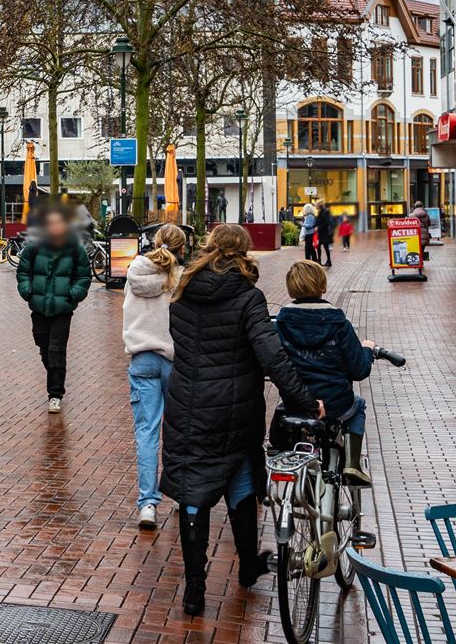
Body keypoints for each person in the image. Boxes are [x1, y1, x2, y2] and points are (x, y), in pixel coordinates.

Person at [161, 224, 323, 617]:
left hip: (187, 407)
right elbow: (272, 356)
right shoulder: (248, 297)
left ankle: (194, 591)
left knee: (193, 493)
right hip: (235, 411)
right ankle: (248, 566)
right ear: (243, 252)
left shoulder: (181, 294)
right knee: (241, 484)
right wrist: (302, 400)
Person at [275, 260, 375, 485]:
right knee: (358, 406)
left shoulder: (281, 322)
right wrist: (367, 350)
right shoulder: (338, 323)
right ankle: (352, 463)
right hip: (336, 402)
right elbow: (358, 369)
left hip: (297, 402)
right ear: (322, 286)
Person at [123, 224, 186, 530]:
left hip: (142, 357)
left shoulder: (134, 272)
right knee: (179, 430)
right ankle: (181, 496)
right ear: (182, 249)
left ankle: (147, 504)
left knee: (147, 432)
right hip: (174, 360)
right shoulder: (180, 278)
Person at [15, 206, 92, 414]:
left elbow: (84, 276)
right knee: (42, 343)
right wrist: (27, 291)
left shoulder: (75, 248)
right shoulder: (34, 247)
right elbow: (23, 272)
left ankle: (55, 394)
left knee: (56, 349)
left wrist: (72, 294)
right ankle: (55, 373)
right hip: (39, 306)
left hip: (62, 308)